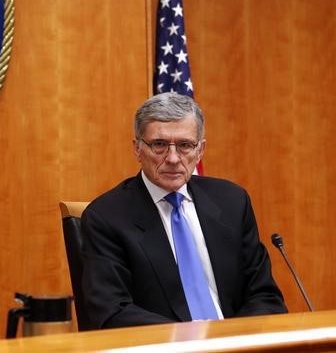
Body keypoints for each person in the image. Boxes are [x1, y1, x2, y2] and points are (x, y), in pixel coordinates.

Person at [80, 92, 287, 329]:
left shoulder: (231, 202)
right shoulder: (107, 217)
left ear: (200, 150)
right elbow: (112, 311)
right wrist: (191, 340)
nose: (173, 158)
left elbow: (265, 297)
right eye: (159, 145)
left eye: (185, 145)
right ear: (137, 149)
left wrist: (229, 340)